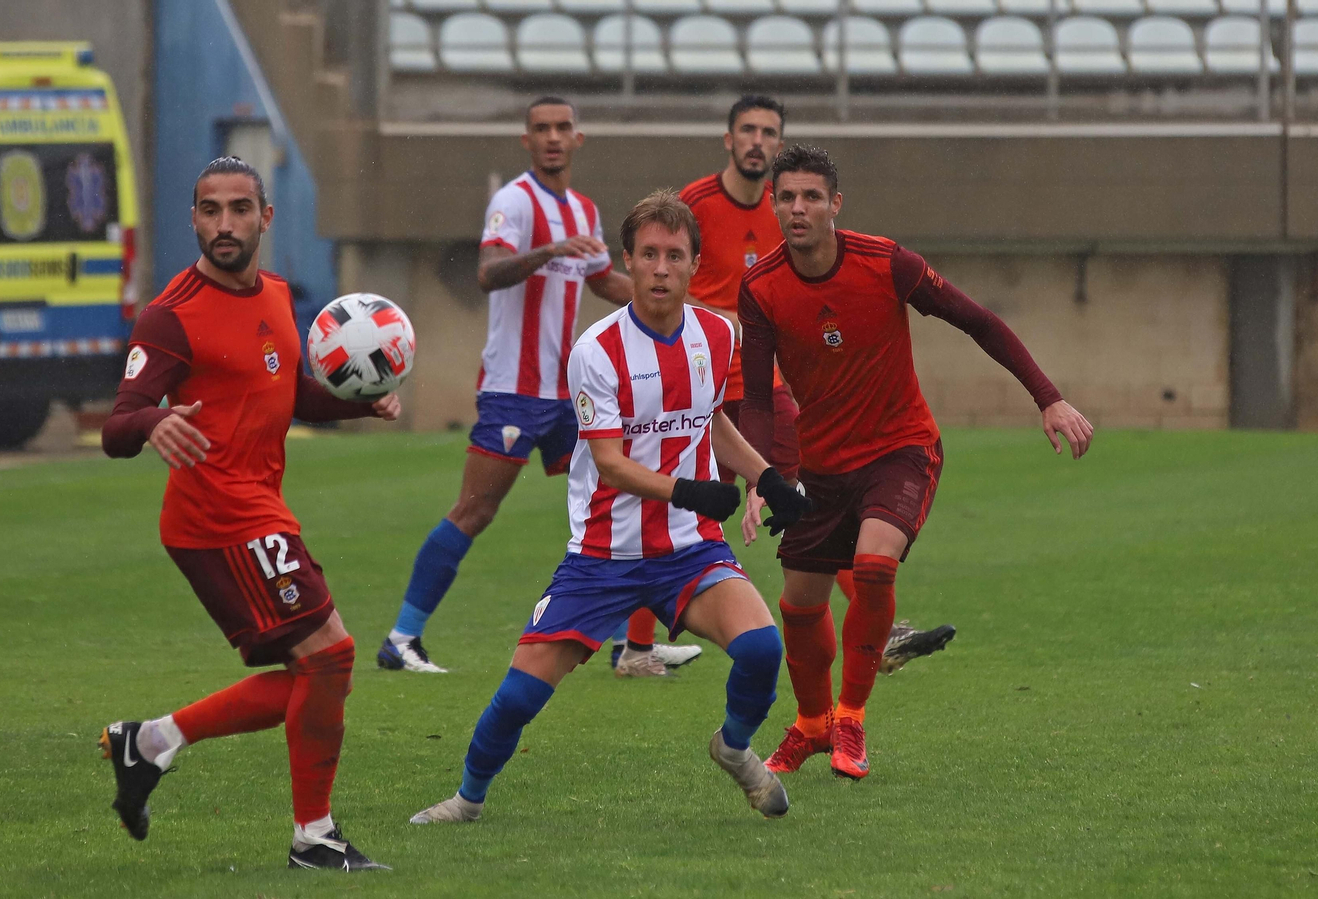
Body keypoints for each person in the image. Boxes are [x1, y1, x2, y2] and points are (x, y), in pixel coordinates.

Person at [408, 191, 813, 825]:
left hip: (690, 550)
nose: (659, 268)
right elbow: (610, 463)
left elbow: (710, 421)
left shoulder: (716, 334)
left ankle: (734, 749)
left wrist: (769, 477)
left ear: (693, 266)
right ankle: (467, 799)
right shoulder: (595, 351)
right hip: (603, 557)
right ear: (627, 260)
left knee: (763, 649)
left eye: (673, 255)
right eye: (647, 254)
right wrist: (688, 490)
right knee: (518, 696)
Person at [739, 145, 1094, 780]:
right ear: (773, 203)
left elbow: (977, 321)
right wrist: (763, 476)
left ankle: (851, 717)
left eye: (811, 197)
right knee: (799, 604)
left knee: (874, 565)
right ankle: (813, 724)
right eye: (787, 197)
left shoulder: (887, 262)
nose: (798, 208)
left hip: (900, 449)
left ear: (835, 205)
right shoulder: (761, 286)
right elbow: (761, 397)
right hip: (821, 469)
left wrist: (1048, 398)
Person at [96, 157, 395, 871]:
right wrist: (154, 421)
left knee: (316, 674)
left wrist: (357, 402)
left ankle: (153, 741)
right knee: (331, 655)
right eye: (209, 210)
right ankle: (313, 837)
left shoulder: (279, 294)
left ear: (266, 216)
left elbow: (288, 390)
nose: (223, 224)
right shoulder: (172, 315)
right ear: (193, 218)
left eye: (238, 209)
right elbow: (117, 424)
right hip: (216, 519)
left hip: (258, 510)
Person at [377, 96, 697, 677]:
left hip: (571, 392)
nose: (553, 137)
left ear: (580, 138)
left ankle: (634, 646)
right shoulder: (514, 202)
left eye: (562, 128)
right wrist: (547, 251)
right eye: (541, 129)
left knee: (627, 494)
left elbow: (602, 280)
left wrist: (678, 301)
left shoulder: (583, 208)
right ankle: (402, 637)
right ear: (527, 140)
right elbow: (488, 272)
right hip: (513, 391)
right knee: (475, 510)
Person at [642, 95, 955, 677]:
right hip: (699, 384)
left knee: (811, 507)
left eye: (769, 132)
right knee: (670, 501)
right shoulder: (694, 205)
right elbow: (659, 278)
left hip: (765, 388)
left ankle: (876, 625)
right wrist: (716, 320)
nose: (758, 141)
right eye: (748, 130)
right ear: (729, 140)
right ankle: (636, 646)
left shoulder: (788, 208)